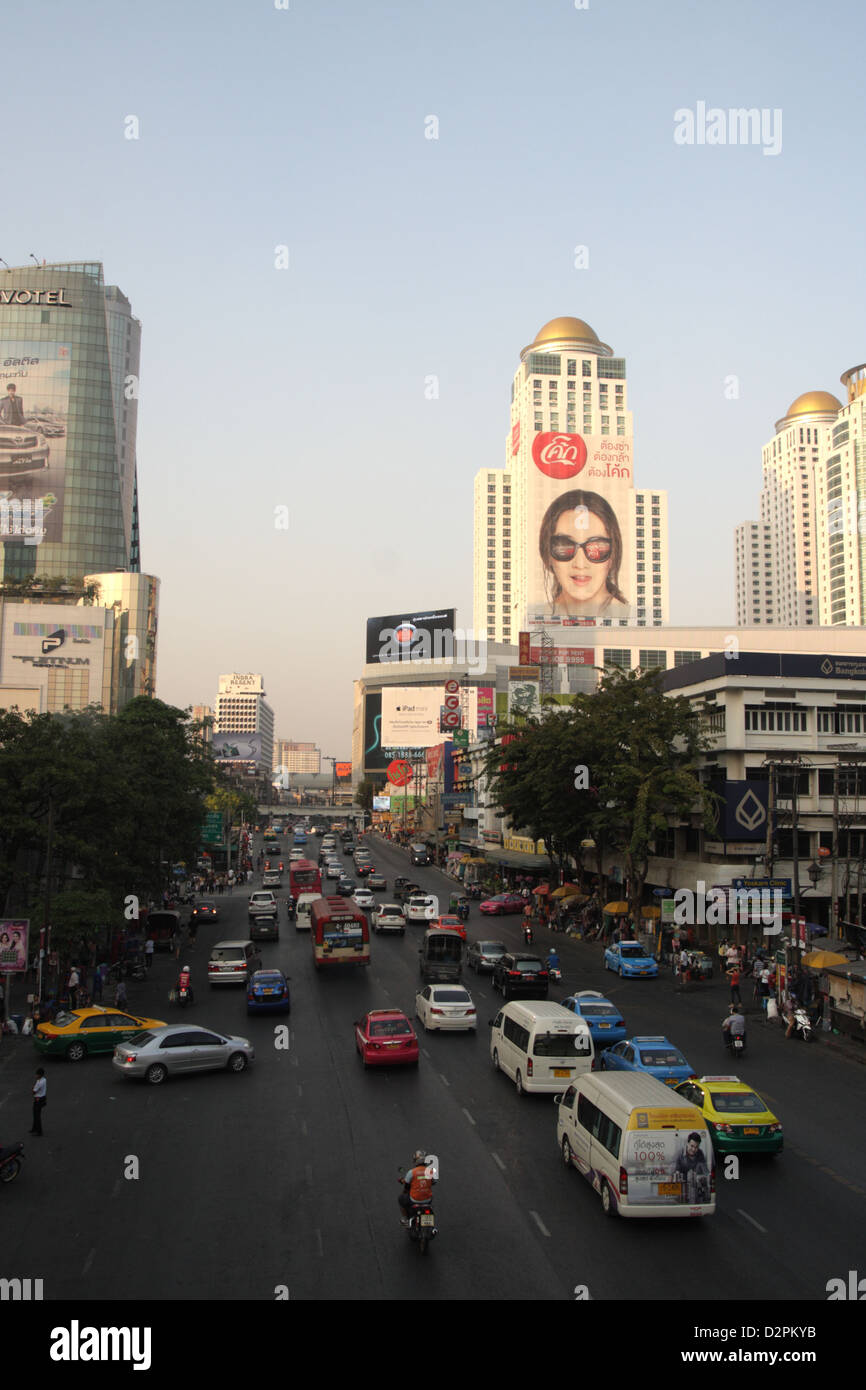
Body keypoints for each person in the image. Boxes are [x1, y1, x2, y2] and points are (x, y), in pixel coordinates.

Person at [538, 488, 629, 617]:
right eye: (565, 546)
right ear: (547, 553)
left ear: (613, 554)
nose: (580, 564)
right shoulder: (534, 621)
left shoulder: (635, 621)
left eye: (596, 548)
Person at [398, 1149, 435, 1225]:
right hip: (428, 1200)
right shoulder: (430, 1171)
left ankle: (405, 1219)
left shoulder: (412, 1172)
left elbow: (407, 1186)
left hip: (414, 1200)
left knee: (401, 1198)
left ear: (415, 1160)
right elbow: (433, 1182)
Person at [673, 1132, 710, 1203]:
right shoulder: (679, 1154)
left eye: (696, 1147)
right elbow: (674, 1172)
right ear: (687, 1143)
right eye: (692, 1146)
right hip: (682, 1190)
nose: (693, 1149)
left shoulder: (700, 1153)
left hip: (695, 1189)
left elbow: (705, 1171)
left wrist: (704, 1177)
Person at [30, 1067, 47, 1136]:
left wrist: (33, 1089)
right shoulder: (44, 1080)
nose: (36, 1075)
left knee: (37, 1116)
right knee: (35, 1114)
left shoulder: (39, 1083)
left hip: (38, 1099)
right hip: (42, 1098)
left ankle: (39, 1131)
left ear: (40, 1075)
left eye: (37, 1074)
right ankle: (34, 1128)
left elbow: (34, 1092)